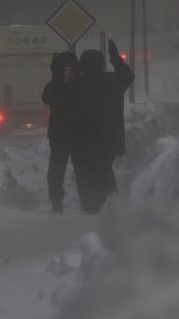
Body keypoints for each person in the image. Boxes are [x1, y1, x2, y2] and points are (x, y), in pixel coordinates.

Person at [71, 40, 133, 214]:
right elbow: (128, 76)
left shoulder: (76, 85)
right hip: (107, 139)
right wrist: (115, 57)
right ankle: (110, 205)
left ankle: (89, 205)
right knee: (104, 172)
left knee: (84, 175)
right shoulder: (112, 81)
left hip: (81, 141)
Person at [41, 51, 80, 213]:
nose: (67, 71)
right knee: (56, 173)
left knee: (81, 170)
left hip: (75, 133)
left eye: (69, 68)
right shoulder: (55, 85)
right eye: (64, 68)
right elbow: (46, 98)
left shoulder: (80, 84)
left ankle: (89, 202)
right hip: (64, 134)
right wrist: (57, 79)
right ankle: (57, 203)